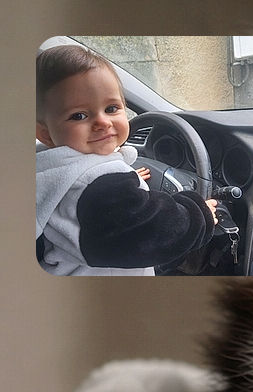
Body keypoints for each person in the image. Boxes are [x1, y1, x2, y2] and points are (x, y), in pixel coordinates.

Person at [35, 45, 218, 276]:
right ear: (46, 134)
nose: (102, 121)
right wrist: (198, 215)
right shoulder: (97, 185)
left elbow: (92, 200)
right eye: (79, 115)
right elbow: (148, 231)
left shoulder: (52, 168)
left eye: (111, 108)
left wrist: (126, 184)